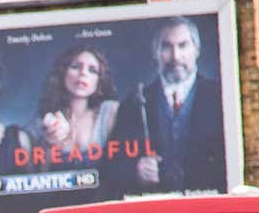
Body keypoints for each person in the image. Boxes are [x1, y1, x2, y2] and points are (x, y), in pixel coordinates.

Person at [111, 18, 226, 193]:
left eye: (183, 46)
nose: (175, 56)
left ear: (197, 50)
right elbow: (112, 168)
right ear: (155, 53)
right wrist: (136, 171)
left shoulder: (221, 97)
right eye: (166, 46)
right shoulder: (133, 104)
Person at [34, 45, 120, 153]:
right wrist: (51, 142)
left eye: (92, 70)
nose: (83, 73)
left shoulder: (109, 111)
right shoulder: (45, 119)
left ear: (99, 80)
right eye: (76, 67)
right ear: (63, 73)